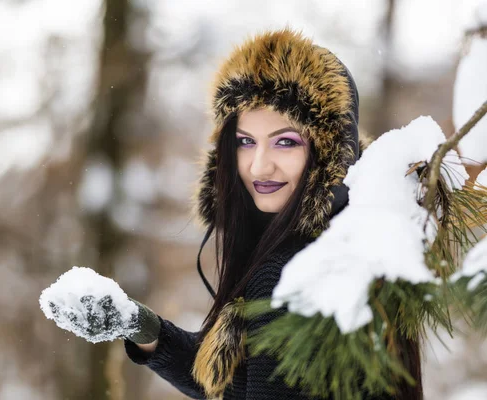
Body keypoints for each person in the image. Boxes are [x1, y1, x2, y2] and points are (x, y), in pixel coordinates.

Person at [49, 28, 423, 399]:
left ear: (330, 156)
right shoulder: (356, 245)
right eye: (246, 142)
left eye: (286, 142)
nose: (259, 167)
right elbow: (241, 384)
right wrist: (142, 329)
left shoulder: (288, 276)